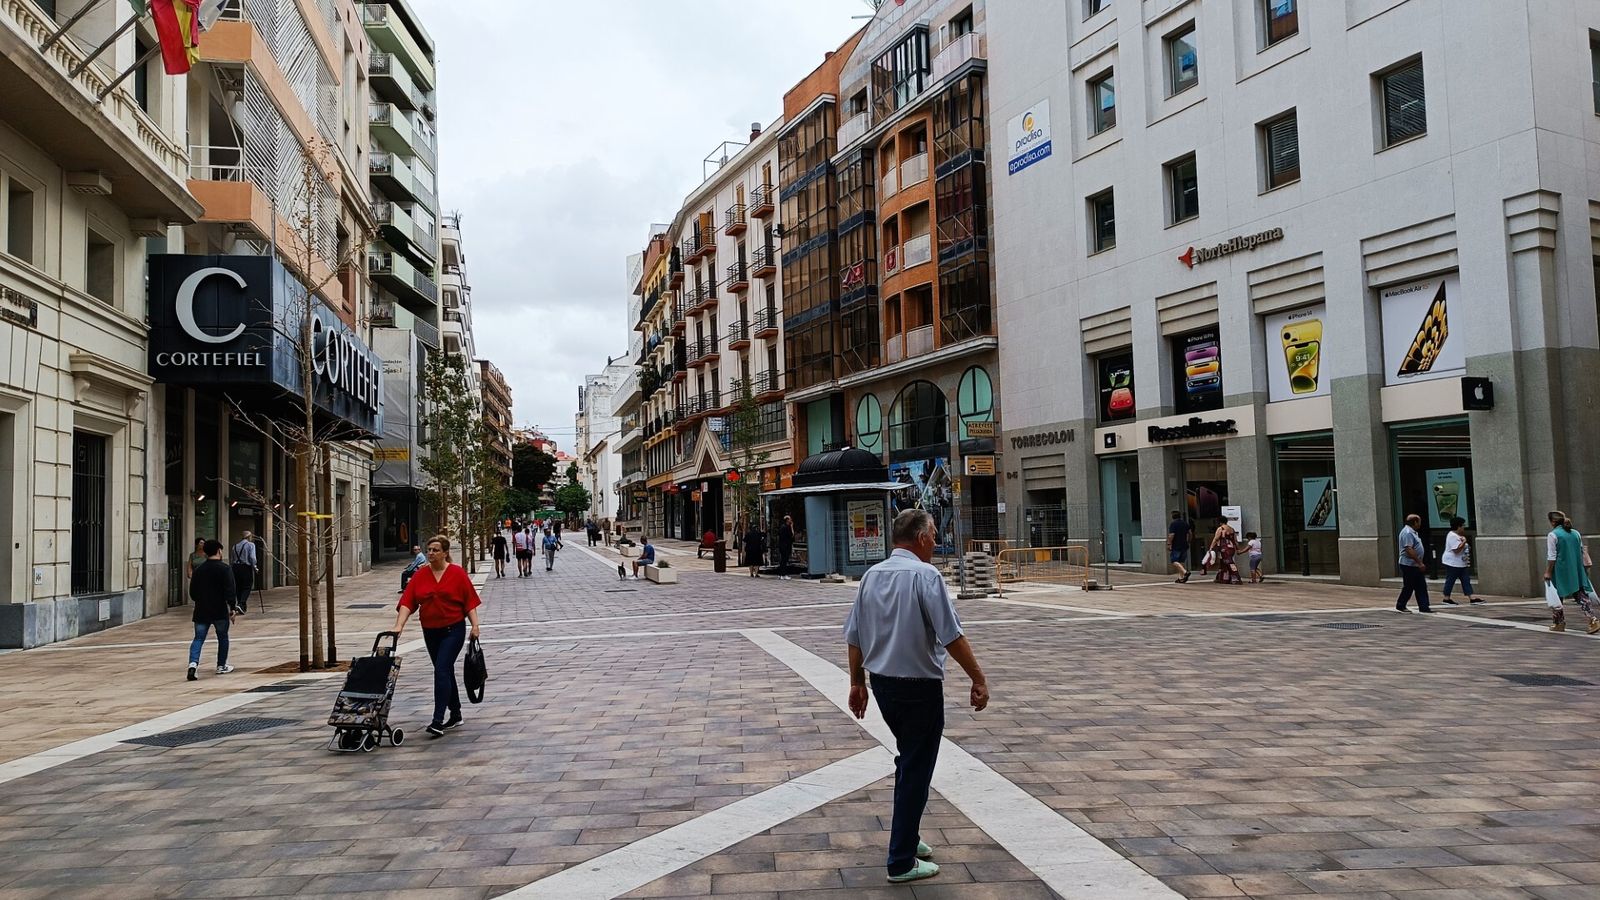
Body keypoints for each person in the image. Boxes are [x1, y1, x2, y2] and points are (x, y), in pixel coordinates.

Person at [844, 509, 988, 884]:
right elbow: (951, 634)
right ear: (921, 537)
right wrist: (978, 678)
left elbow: (855, 635)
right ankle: (901, 860)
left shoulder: (871, 575)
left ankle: (908, 836)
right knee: (916, 768)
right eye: (934, 535)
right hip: (919, 687)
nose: (936, 542)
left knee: (910, 762)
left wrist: (857, 682)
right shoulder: (927, 576)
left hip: (884, 685)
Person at [392, 535, 482, 736]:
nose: (430, 553)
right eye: (429, 550)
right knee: (445, 671)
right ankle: (456, 713)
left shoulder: (457, 573)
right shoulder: (420, 575)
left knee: (441, 670)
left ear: (445, 552)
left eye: (435, 550)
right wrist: (399, 626)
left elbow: (469, 602)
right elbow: (408, 602)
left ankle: (437, 719)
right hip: (431, 631)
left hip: (453, 630)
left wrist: (475, 625)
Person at [187, 539, 237, 681]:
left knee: (198, 638)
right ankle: (221, 665)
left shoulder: (199, 570)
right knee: (222, 637)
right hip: (219, 610)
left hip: (201, 610)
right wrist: (232, 608)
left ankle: (193, 664)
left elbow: (193, 593)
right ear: (219, 551)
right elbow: (230, 590)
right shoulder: (225, 569)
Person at [1545, 510, 1598, 633]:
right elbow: (1580, 550)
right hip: (1575, 568)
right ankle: (1593, 620)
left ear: (1552, 522)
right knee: (1580, 594)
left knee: (1556, 595)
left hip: (1559, 570)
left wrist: (1548, 571)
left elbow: (1552, 556)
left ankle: (1559, 623)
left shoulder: (1553, 535)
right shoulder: (1575, 533)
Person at [1395, 513, 1432, 613]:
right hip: (1409, 564)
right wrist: (1419, 562)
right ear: (1415, 522)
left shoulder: (1413, 532)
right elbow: (1409, 549)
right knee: (1409, 586)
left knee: (1420, 585)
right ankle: (1401, 604)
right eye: (1419, 522)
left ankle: (1424, 606)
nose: (1420, 524)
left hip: (1414, 564)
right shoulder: (1407, 532)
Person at [1440, 516, 1478, 605]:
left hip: (1460, 563)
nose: (1464, 528)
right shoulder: (1452, 536)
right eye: (1463, 526)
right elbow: (1456, 550)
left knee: (1465, 579)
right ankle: (1446, 598)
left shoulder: (1457, 536)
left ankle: (1471, 597)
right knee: (1451, 579)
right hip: (1453, 563)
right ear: (1458, 526)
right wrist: (1464, 542)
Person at [230, 531, 258, 614]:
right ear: (249, 537)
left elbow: (232, 559)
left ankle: (241, 606)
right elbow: (252, 558)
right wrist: (255, 567)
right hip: (245, 567)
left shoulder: (235, 546)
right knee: (247, 586)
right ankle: (241, 603)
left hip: (235, 567)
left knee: (238, 586)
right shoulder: (251, 545)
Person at [1167, 511, 1191, 583]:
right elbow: (1190, 533)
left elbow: (1171, 535)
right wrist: (1189, 541)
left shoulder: (1173, 524)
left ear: (1172, 517)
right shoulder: (1185, 523)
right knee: (1181, 561)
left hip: (1176, 545)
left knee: (1174, 561)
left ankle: (1185, 572)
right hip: (1184, 544)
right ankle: (1181, 578)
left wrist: (1169, 543)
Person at [777, 515, 795, 580]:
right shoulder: (787, 527)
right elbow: (792, 536)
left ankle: (780, 574)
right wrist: (792, 527)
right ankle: (783, 574)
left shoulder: (782, 527)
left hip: (782, 546)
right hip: (786, 546)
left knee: (782, 560)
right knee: (784, 560)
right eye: (790, 519)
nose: (791, 520)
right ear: (787, 520)